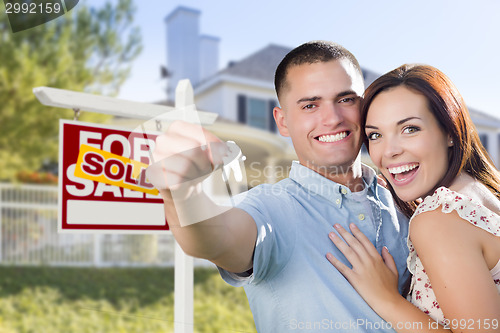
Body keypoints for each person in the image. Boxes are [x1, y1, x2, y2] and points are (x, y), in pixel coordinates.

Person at [149, 41, 410, 332]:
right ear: (282, 122)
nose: (333, 118)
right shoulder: (270, 207)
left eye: (346, 99)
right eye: (310, 105)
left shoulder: (404, 200)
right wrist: (183, 193)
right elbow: (216, 239)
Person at [326, 64, 500, 332]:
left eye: (410, 129)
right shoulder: (480, 193)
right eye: (376, 135)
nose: (389, 152)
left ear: (450, 131)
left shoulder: (440, 219)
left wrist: (386, 299)